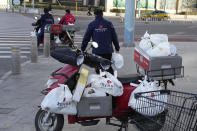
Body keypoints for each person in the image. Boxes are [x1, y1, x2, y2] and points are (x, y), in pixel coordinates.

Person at [81, 8, 120, 74]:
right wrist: (117, 48)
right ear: (102, 14)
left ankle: (101, 81)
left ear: (94, 14)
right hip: (107, 50)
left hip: (97, 51)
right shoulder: (109, 24)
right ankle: (111, 80)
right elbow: (114, 37)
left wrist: (82, 49)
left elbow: (86, 38)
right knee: (108, 66)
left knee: (98, 67)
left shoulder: (92, 24)